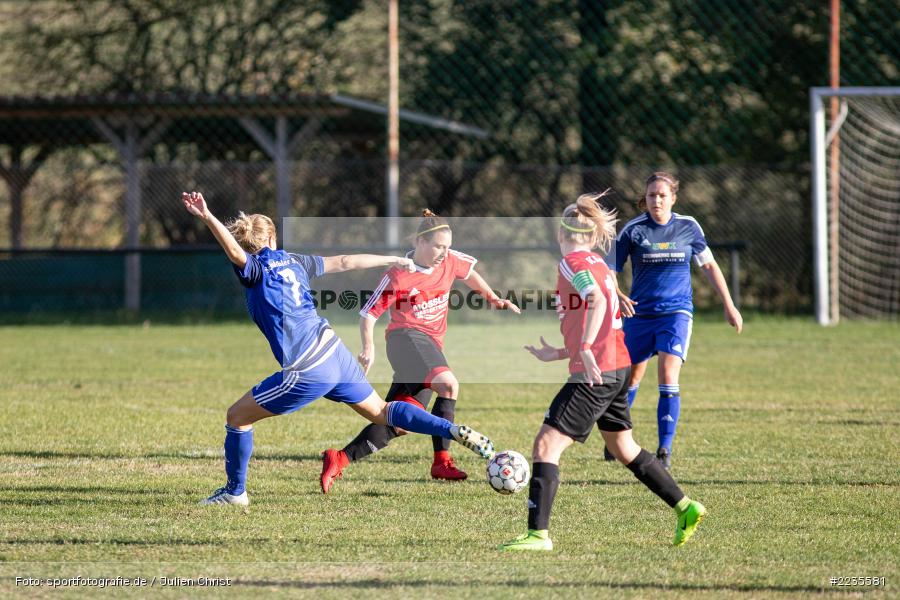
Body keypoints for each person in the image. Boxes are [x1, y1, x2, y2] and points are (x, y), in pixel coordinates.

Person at [181, 192, 495, 506]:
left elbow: (236, 254)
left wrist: (208, 217)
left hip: (309, 368)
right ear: (273, 238)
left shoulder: (254, 271)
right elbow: (345, 262)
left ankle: (235, 492)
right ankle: (449, 428)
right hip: (335, 352)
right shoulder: (295, 261)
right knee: (383, 413)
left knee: (237, 416)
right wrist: (394, 259)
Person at [499, 192, 706, 551]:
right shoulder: (596, 262)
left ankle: (538, 536)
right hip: (618, 365)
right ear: (593, 235)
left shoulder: (572, 264)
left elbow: (593, 299)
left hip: (596, 371)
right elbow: (602, 311)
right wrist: (562, 350)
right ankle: (685, 507)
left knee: (546, 445)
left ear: (560, 235)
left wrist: (581, 350)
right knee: (623, 445)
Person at [320, 209, 520, 493]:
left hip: (429, 345)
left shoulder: (450, 260)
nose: (444, 252)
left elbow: (470, 273)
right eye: (438, 246)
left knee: (397, 421)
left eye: (447, 246)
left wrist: (493, 298)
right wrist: (368, 347)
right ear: (420, 242)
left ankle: (339, 458)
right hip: (406, 339)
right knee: (448, 385)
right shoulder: (400, 274)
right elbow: (369, 314)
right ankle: (443, 461)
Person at [605, 172, 743, 469]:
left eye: (662, 195)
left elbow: (709, 266)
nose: (657, 200)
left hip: (676, 312)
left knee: (668, 375)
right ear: (646, 197)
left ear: (673, 198)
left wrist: (729, 306)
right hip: (639, 314)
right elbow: (609, 269)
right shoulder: (633, 229)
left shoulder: (688, 227)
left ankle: (664, 450)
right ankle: (616, 438)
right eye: (652, 195)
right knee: (627, 379)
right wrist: (616, 294)